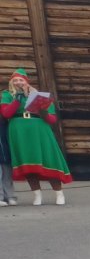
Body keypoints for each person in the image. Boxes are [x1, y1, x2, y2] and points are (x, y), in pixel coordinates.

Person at [1, 69, 72, 206]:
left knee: (48, 158)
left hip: (39, 129)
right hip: (19, 131)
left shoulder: (38, 96)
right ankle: (37, 195)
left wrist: (42, 111)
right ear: (11, 82)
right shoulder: (7, 95)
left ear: (27, 82)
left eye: (21, 80)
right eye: (15, 80)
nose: (18, 82)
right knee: (27, 161)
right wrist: (17, 100)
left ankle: (59, 193)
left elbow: (52, 119)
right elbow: (6, 114)